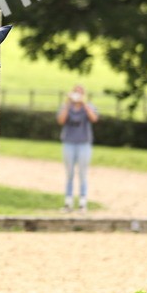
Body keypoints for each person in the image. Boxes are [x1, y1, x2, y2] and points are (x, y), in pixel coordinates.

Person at [57, 84, 98, 212]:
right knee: (69, 173)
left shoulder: (88, 106)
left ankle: (82, 202)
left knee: (82, 173)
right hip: (69, 143)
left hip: (84, 144)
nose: (77, 95)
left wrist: (83, 104)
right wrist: (68, 103)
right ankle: (68, 202)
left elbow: (94, 118)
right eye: (75, 92)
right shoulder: (66, 107)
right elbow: (61, 120)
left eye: (80, 93)